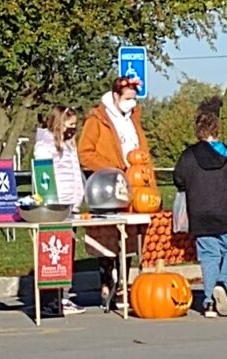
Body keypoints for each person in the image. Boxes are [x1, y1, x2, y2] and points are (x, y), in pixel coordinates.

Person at [78, 77, 150, 304]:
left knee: (127, 236)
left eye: (134, 99)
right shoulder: (98, 120)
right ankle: (107, 281)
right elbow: (85, 153)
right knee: (107, 236)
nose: (131, 103)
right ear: (116, 96)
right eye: (127, 98)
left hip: (133, 182)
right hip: (108, 184)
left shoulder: (133, 119)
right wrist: (111, 168)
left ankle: (123, 284)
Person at [173, 112, 227, 318]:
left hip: (199, 213)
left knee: (209, 256)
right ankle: (223, 283)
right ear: (217, 129)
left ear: (197, 130)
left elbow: (178, 179)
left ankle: (208, 303)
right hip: (226, 212)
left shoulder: (188, 156)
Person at [33, 105, 86, 315]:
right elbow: (44, 175)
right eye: (69, 125)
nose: (73, 129)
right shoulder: (45, 146)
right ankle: (51, 300)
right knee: (53, 253)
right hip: (56, 205)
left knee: (67, 252)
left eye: (75, 125)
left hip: (71, 205)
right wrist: (51, 200)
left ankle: (63, 295)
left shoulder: (70, 144)